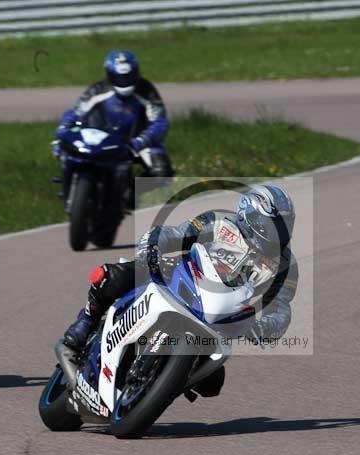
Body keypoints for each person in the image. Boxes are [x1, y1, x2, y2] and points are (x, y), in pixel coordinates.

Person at [59, 184, 298, 397]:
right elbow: (173, 234)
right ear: (250, 216)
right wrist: (152, 248)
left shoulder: (286, 266)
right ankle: (85, 323)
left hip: (218, 317)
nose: (280, 234)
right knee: (114, 276)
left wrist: (265, 326)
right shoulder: (218, 223)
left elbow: (281, 307)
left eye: (285, 227)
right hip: (179, 278)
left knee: (211, 384)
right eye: (273, 226)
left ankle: (156, 386)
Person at [53, 49, 173, 205]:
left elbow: (160, 121)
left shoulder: (147, 91)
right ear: (110, 74)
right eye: (120, 77)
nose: (124, 81)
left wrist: (142, 140)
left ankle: (132, 191)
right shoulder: (97, 90)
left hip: (137, 139)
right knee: (64, 148)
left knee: (162, 171)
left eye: (128, 77)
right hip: (102, 137)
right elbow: (76, 113)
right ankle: (68, 189)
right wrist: (63, 128)